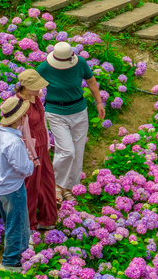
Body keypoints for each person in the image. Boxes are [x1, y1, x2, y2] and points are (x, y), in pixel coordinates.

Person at [36, 41, 107, 201]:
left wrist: (99, 102)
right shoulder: (45, 67)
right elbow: (32, 85)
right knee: (67, 150)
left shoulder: (80, 62)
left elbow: (91, 81)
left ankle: (68, 186)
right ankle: (54, 184)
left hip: (79, 111)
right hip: (56, 112)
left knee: (78, 150)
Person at [0, 96, 35, 274]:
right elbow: (25, 169)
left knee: (11, 220)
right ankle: (10, 263)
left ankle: (21, 248)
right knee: (17, 223)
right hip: (13, 187)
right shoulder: (14, 142)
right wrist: (31, 161)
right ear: (17, 119)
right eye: (23, 115)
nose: (25, 118)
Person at [13, 69, 58, 231]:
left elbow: (42, 123)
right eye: (36, 86)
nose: (40, 89)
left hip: (41, 145)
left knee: (47, 180)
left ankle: (47, 218)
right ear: (25, 87)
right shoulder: (18, 104)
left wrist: (46, 143)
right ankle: (29, 224)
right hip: (29, 149)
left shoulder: (36, 98)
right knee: (30, 186)